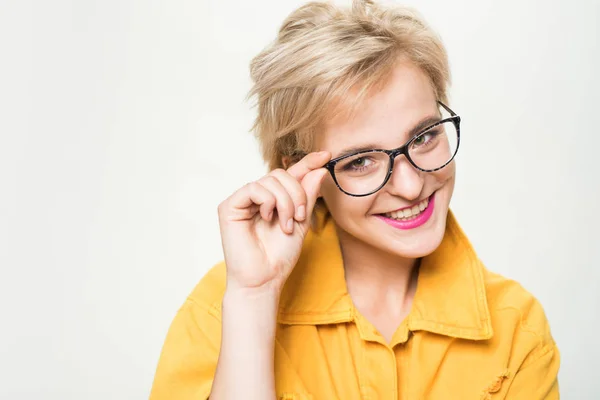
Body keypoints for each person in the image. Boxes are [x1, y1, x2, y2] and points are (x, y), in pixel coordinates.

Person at [150, 0, 560, 398]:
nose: (411, 185)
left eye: (424, 136)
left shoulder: (517, 330)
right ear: (303, 175)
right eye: (361, 161)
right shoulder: (225, 307)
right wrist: (256, 299)